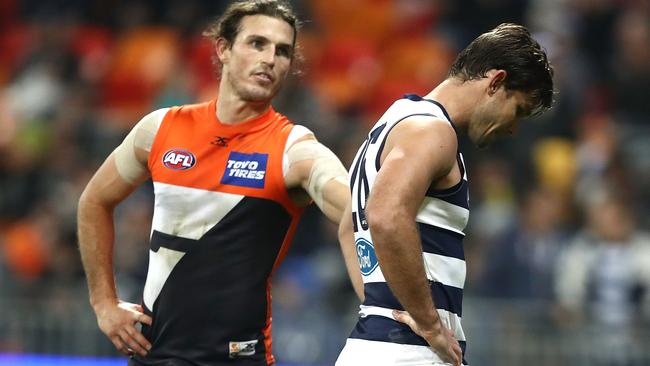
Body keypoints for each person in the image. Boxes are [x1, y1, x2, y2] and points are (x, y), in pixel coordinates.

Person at [77, 1, 360, 365]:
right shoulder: (160, 128)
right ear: (223, 49)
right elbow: (93, 201)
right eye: (257, 43)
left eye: (283, 51)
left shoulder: (294, 149)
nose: (271, 58)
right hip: (151, 356)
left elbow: (359, 213)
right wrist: (103, 303)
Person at [336, 23, 554, 366]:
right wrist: (429, 324)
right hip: (409, 353)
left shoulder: (391, 122)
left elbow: (348, 229)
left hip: (376, 347)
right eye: (519, 111)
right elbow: (386, 215)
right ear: (496, 82)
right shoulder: (432, 131)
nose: (514, 128)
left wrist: (382, 307)